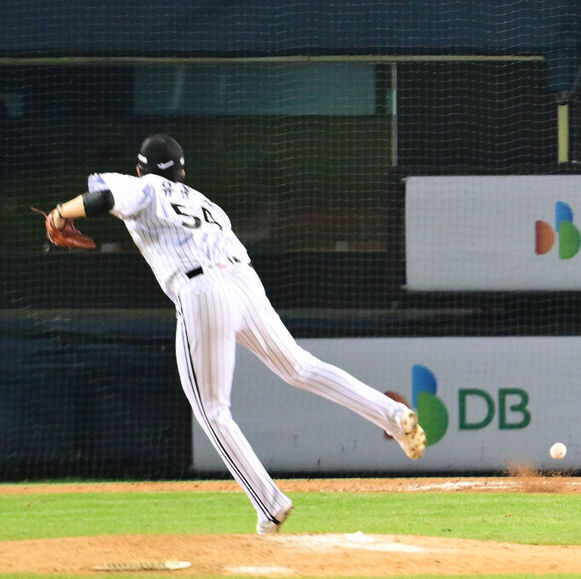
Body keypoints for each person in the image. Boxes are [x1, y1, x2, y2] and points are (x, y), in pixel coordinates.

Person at [38, 134, 427, 532]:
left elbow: (101, 198)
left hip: (203, 290)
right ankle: (393, 416)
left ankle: (269, 505)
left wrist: (57, 214)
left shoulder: (142, 185)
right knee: (300, 367)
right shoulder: (204, 203)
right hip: (243, 280)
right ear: (183, 171)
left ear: (140, 168)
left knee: (212, 410)